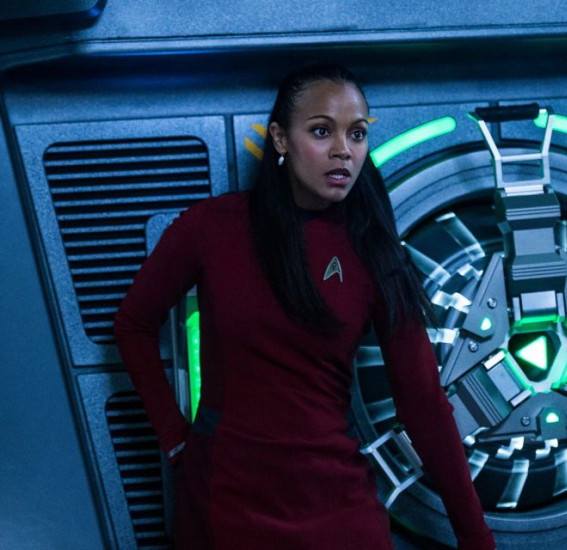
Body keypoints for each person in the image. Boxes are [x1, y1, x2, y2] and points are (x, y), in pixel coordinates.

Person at [114, 63, 495, 550]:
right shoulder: (212, 227)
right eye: (321, 131)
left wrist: (476, 537)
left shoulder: (374, 250)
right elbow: (133, 326)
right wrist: (174, 438)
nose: (343, 151)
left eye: (356, 134)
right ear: (280, 138)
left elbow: (423, 403)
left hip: (338, 508)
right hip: (226, 504)